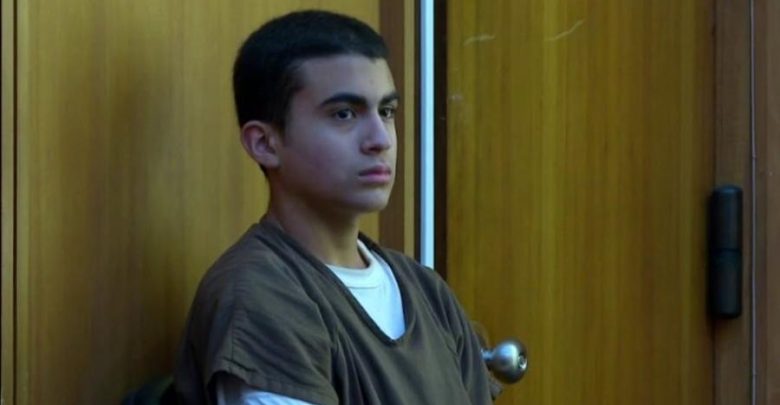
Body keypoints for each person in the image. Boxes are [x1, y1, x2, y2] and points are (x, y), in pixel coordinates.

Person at [174, 10, 495, 405]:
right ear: (265, 143)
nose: (380, 139)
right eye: (344, 114)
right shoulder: (260, 296)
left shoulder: (426, 291)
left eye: (386, 112)